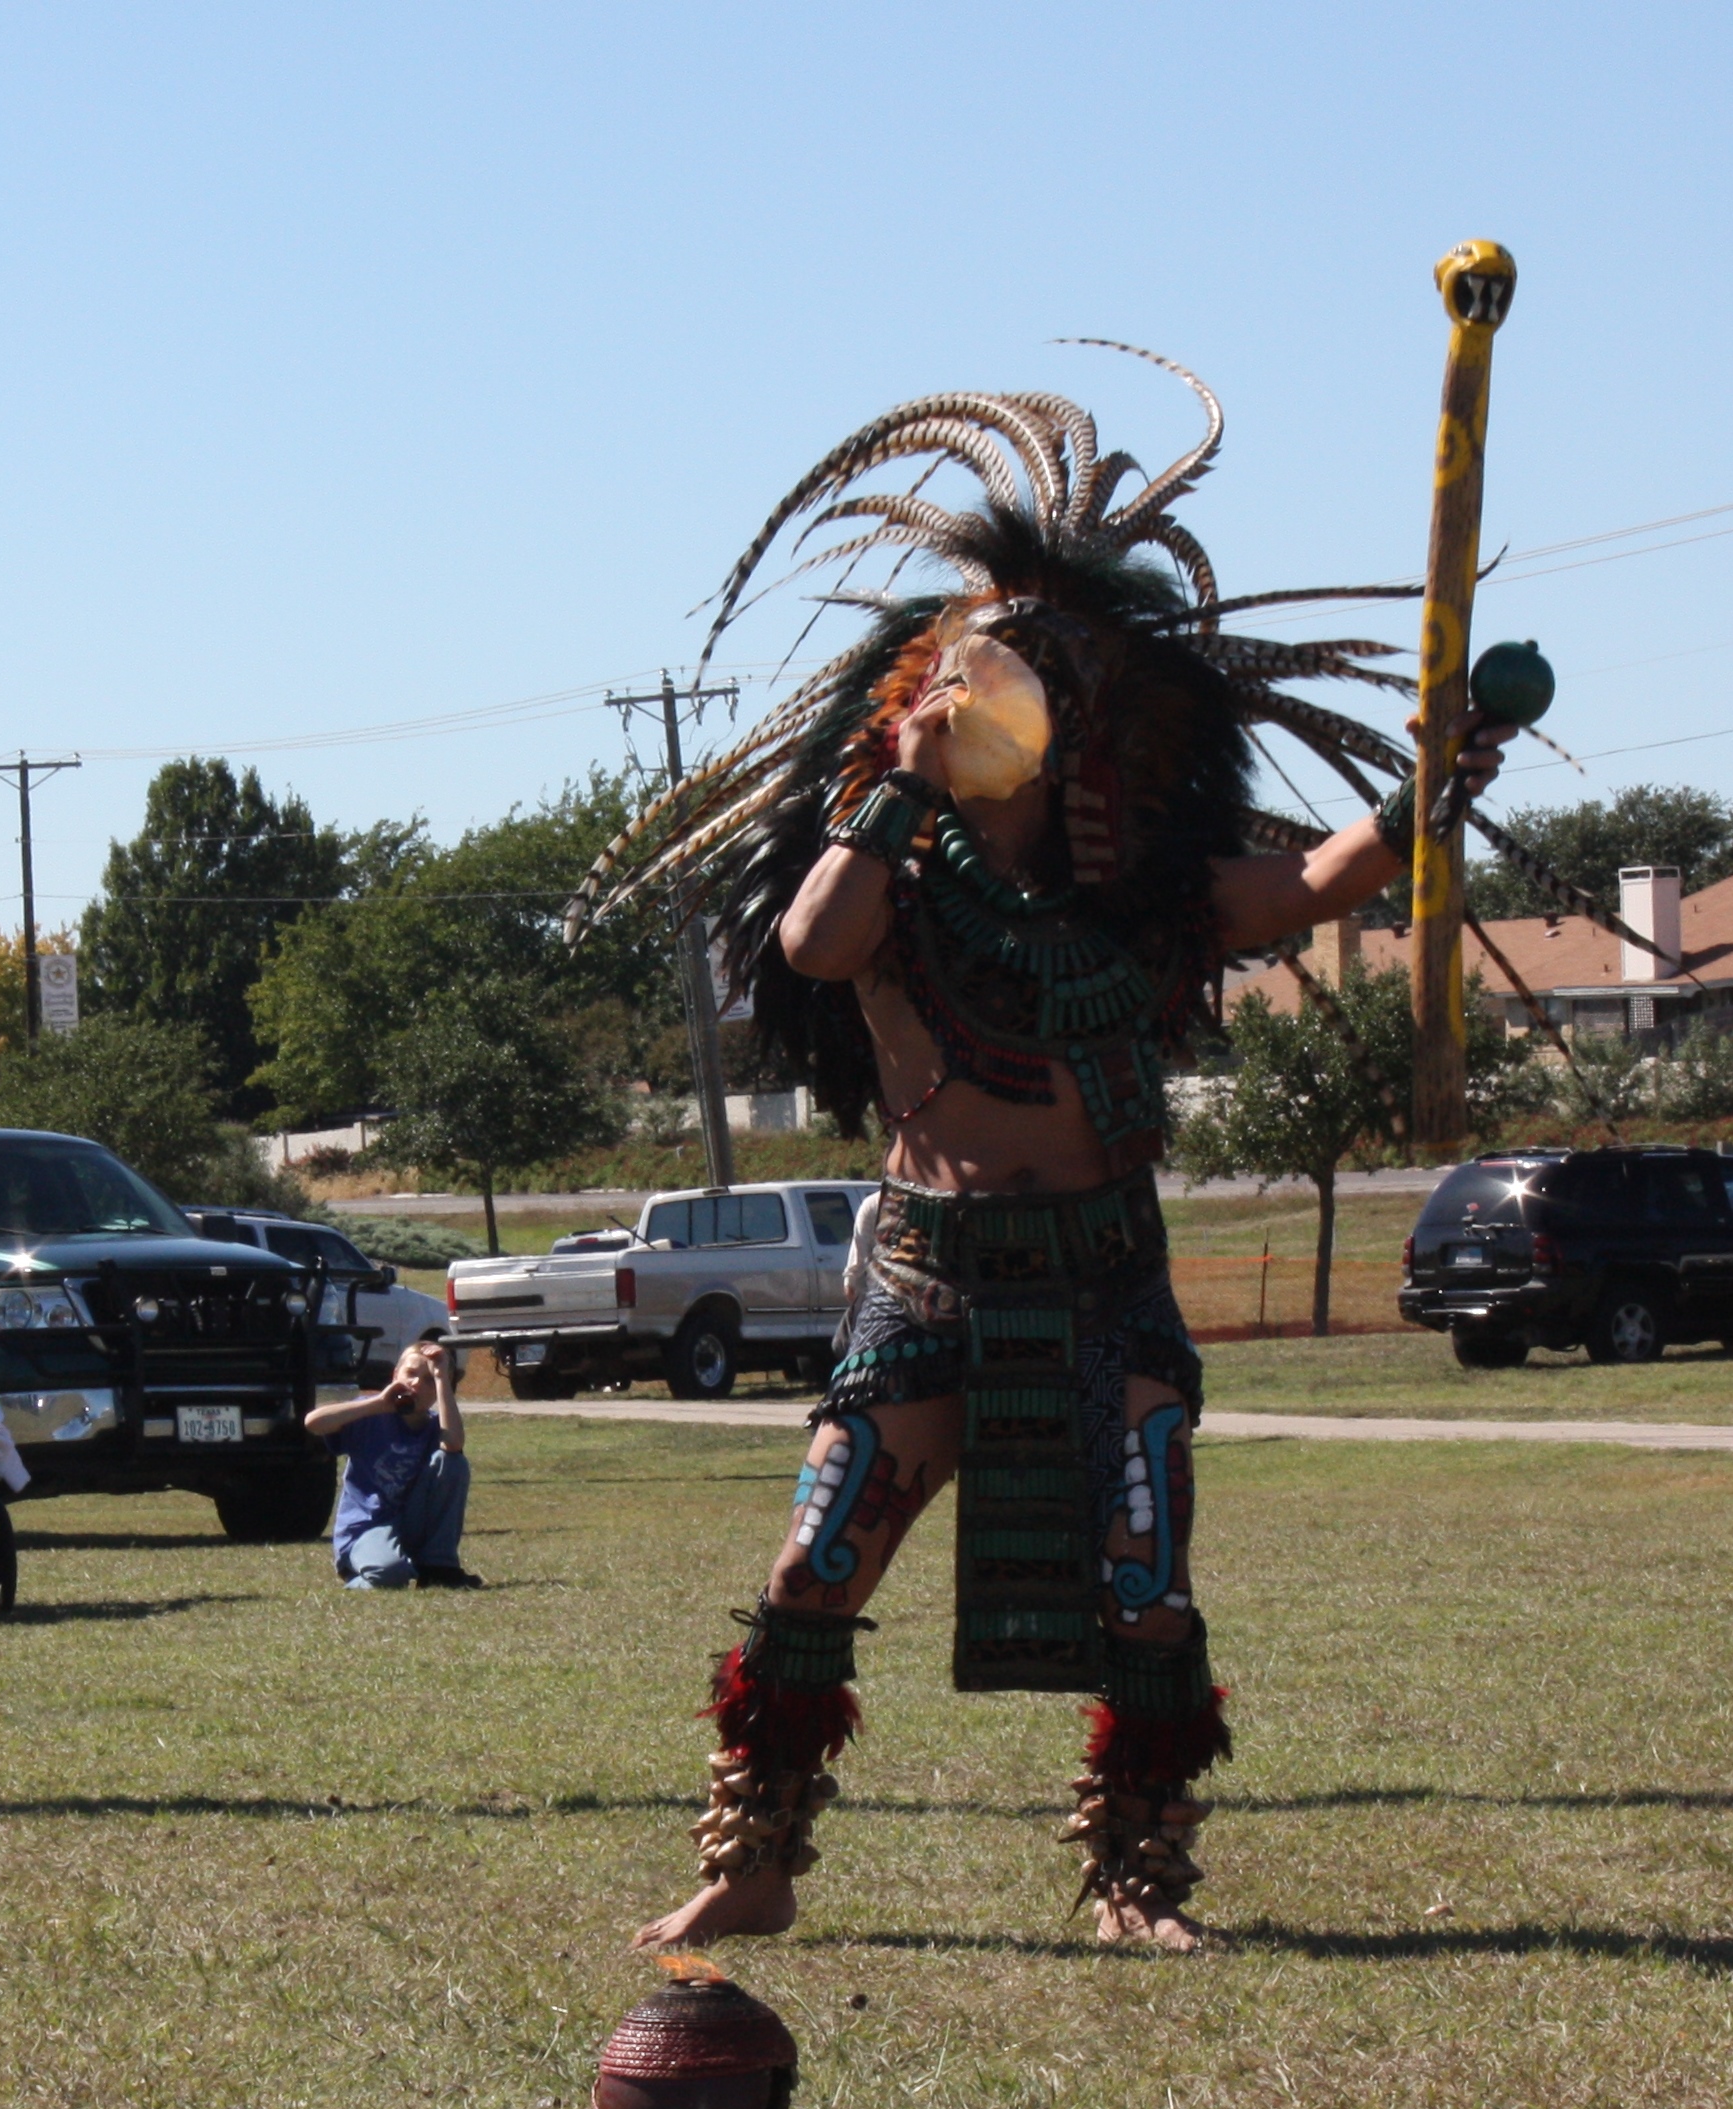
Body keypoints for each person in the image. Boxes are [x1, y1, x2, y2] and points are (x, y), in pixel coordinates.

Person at [569, 365, 1517, 1955]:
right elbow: (809, 947)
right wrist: (900, 792)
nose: (994, 695)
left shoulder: (1143, 892)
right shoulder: (880, 872)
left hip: (1104, 1284)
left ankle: (1134, 1884)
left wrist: (1430, 786)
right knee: (812, 1569)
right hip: (926, 1283)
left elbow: (1318, 880)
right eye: (972, 670)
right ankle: (756, 1863)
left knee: (1144, 1585)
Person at [303, 1338, 475, 1590]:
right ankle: (361, 1575)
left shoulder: (436, 1425)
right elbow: (313, 1423)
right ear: (395, 1375)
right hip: (368, 1526)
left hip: (410, 1524)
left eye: (429, 1380)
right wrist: (378, 1404)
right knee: (391, 1575)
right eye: (411, 1374)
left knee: (453, 1463)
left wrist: (441, 1378)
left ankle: (439, 1568)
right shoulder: (371, 1413)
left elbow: (454, 1444)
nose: (417, 1383)